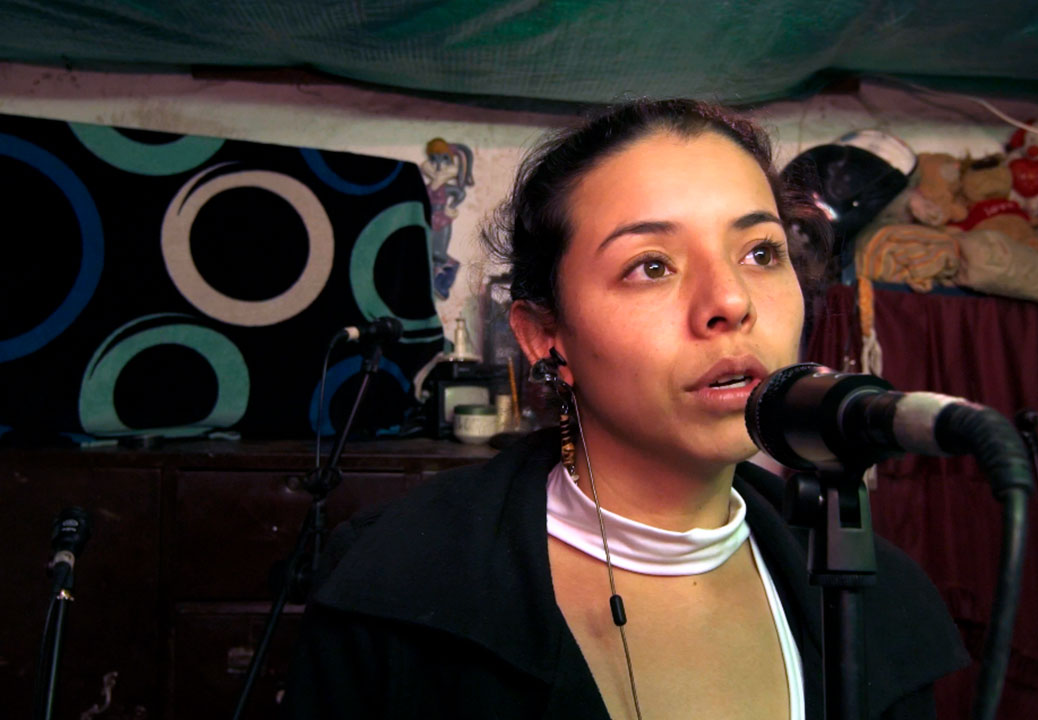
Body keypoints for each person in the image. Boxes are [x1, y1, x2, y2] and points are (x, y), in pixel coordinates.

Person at [284, 99, 968, 719]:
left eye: (761, 252)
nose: (732, 302)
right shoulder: (396, 587)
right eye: (652, 265)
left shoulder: (882, 605)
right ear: (545, 337)